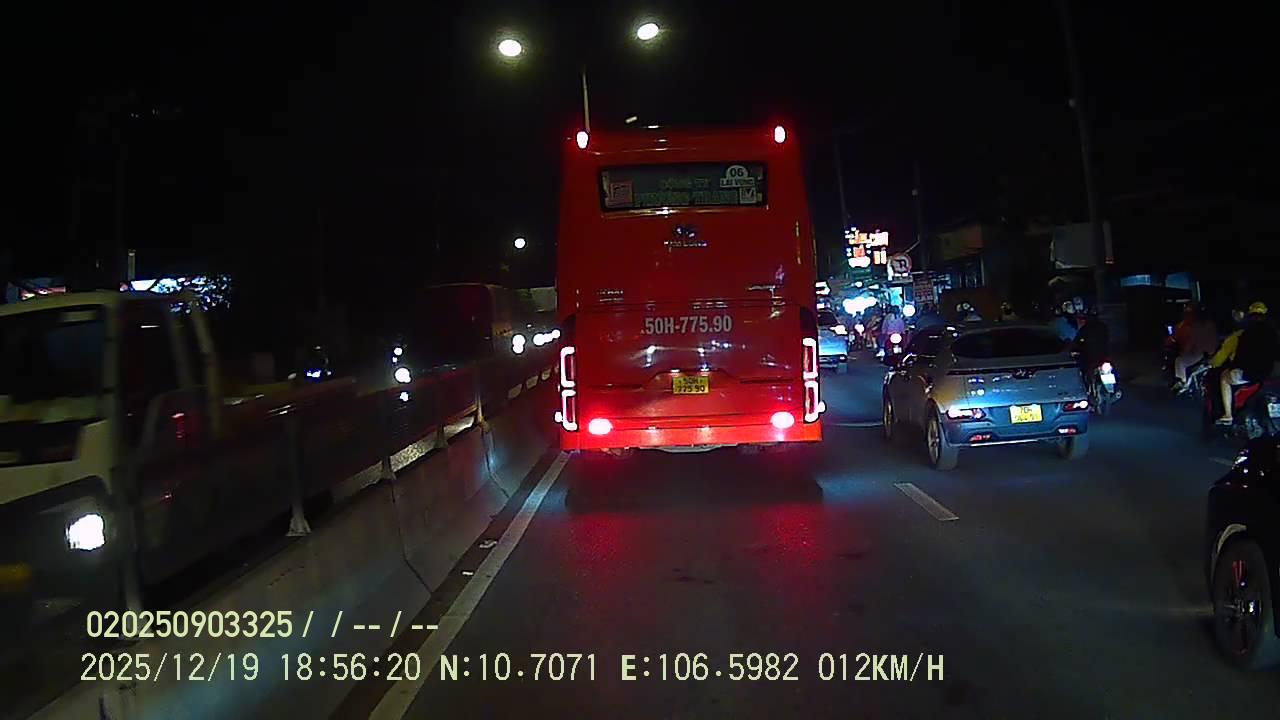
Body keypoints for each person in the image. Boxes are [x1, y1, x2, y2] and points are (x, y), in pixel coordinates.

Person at [1214, 302, 1278, 425]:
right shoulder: (1273, 332)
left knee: (1224, 378)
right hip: (1269, 372)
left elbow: (1240, 356)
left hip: (1251, 373)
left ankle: (1228, 415)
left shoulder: (1246, 333)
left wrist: (1231, 367)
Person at [1170, 303, 1218, 392]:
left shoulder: (1190, 325)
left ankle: (1183, 383)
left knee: (1179, 361)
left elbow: (1187, 343)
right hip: (1205, 353)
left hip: (1198, 354)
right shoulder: (1202, 324)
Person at [1074, 307, 1110, 377]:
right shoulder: (1103, 326)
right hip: (1102, 356)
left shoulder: (1086, 328)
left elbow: (1077, 342)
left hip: (1091, 358)